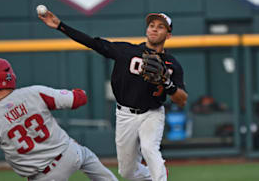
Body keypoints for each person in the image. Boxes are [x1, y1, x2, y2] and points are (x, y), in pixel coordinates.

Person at [39, 10, 188, 181]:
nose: (154, 29)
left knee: (149, 148)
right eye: (151, 25)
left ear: (168, 35)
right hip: (125, 115)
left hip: (152, 114)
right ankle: (153, 175)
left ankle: (159, 177)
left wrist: (167, 82)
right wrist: (60, 26)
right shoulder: (126, 51)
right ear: (146, 30)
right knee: (127, 172)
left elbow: (181, 99)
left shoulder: (172, 64)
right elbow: (93, 43)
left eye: (160, 27)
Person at [0, 58, 118, 181]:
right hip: (70, 154)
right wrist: (79, 93)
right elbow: (79, 99)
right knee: (89, 159)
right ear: (9, 76)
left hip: (44, 176)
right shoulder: (34, 93)